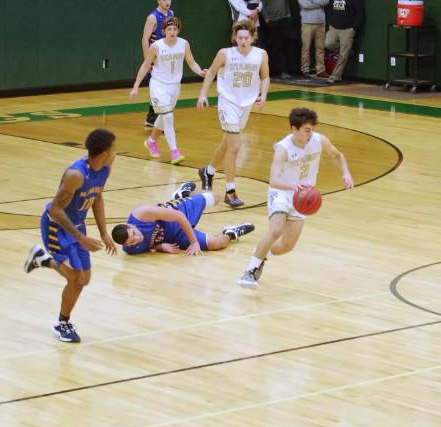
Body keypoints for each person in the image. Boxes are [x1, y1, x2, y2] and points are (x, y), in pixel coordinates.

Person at [238, 107, 353, 287]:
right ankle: (249, 272)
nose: (310, 133)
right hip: (282, 193)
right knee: (276, 230)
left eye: (312, 129)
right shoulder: (283, 149)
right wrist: (294, 187)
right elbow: (273, 180)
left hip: (302, 198)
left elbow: (338, 156)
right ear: (294, 129)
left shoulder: (319, 140)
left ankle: (261, 253)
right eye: (307, 130)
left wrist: (346, 173)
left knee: (287, 246)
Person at [23, 129, 118, 343]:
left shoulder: (105, 169)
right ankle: (62, 323)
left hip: (77, 227)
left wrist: (103, 232)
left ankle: (43, 260)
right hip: (56, 226)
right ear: (104, 153)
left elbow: (97, 197)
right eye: (113, 149)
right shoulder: (76, 175)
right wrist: (80, 237)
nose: (115, 153)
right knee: (75, 279)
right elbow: (56, 209)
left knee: (84, 279)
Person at [197, 19, 270, 208]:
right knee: (235, 145)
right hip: (227, 101)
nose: (243, 40)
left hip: (246, 104)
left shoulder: (260, 55)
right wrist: (203, 94)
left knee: (227, 143)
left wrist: (263, 95)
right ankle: (230, 191)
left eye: (246, 37)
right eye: (240, 37)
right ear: (235, 38)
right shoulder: (225, 53)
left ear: (253, 38)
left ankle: (208, 171)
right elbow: (212, 72)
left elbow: (265, 76)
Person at [131, 16, 206, 165]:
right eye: (169, 29)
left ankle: (151, 141)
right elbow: (145, 66)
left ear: (178, 30)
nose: (172, 32)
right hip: (159, 85)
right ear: (164, 30)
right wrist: (135, 86)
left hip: (175, 86)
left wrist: (200, 72)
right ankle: (174, 151)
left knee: (165, 116)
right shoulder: (156, 46)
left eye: (175, 29)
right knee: (168, 116)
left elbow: (191, 62)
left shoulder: (184, 44)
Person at [111, 182, 255, 255]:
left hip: (180, 212)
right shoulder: (131, 249)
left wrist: (194, 242)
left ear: (131, 226)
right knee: (217, 244)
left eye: (134, 234)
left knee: (215, 197)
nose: (136, 239)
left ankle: (184, 195)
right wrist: (160, 247)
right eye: (132, 242)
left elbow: (179, 216)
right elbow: (148, 245)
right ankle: (231, 233)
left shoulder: (142, 214)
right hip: (176, 237)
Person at [141, 0, 174, 128]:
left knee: (165, 88)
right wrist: (147, 61)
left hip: (166, 58)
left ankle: (152, 117)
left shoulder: (171, 13)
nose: (168, 1)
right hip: (155, 58)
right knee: (157, 88)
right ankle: (155, 117)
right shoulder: (152, 17)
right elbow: (145, 39)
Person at [324, 0, 364, 84]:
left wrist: (354, 28)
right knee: (327, 43)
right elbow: (328, 9)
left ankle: (335, 76)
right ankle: (348, 49)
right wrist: (330, 23)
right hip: (334, 27)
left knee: (343, 54)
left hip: (348, 29)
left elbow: (360, 13)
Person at [261, 0, 294, 79]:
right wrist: (266, 18)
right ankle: (282, 71)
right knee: (277, 46)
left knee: (287, 45)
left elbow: (287, 3)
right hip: (272, 21)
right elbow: (262, 5)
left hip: (285, 19)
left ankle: (289, 69)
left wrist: (288, 14)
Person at [299, 0, 329, 78]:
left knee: (320, 48)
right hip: (307, 23)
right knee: (306, 48)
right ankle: (305, 70)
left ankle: (320, 70)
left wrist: (312, 2)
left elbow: (326, 2)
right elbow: (305, 5)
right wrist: (319, 3)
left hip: (321, 22)